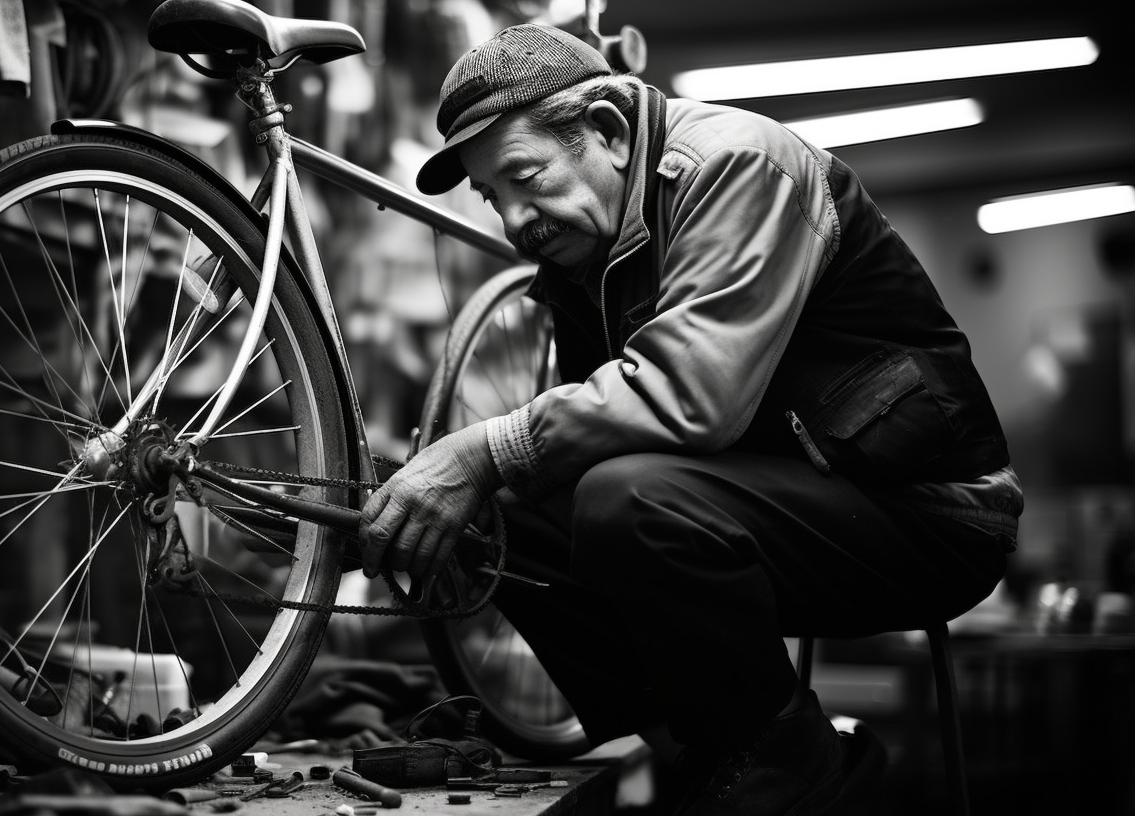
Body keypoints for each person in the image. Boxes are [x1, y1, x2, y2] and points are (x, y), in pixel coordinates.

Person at [355, 22, 1022, 816]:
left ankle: (792, 768)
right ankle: (712, 760)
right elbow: (583, 452)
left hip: (928, 514)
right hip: (777, 502)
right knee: (502, 517)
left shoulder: (738, 164)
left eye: (525, 176)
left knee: (626, 498)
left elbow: (690, 396)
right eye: (494, 196)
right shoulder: (585, 251)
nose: (513, 220)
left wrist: (483, 449)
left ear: (605, 130)